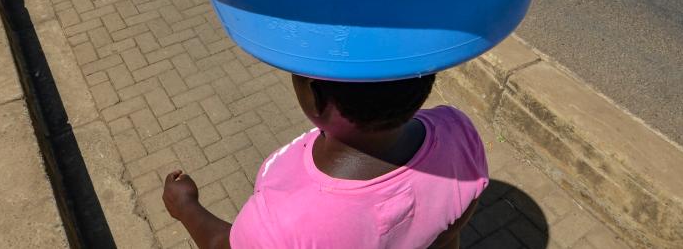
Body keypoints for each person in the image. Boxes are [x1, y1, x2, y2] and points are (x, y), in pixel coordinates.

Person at [163, 74, 488, 248]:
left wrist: (186, 208)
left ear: (315, 95)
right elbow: (449, 230)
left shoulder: (278, 226)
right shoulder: (458, 131)